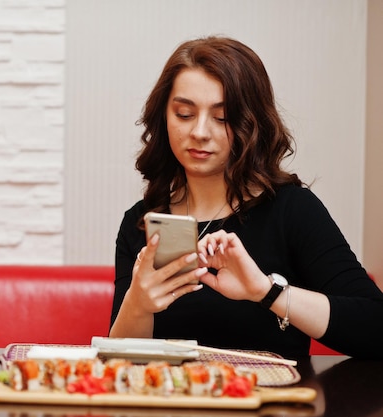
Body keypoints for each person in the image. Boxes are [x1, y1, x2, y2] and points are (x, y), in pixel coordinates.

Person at [109, 36, 383, 359]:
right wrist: (138, 303)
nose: (199, 131)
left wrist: (266, 292)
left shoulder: (292, 210)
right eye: (184, 114)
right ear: (164, 117)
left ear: (249, 124)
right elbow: (119, 364)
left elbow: (375, 326)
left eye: (221, 117)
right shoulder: (140, 223)